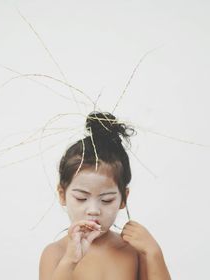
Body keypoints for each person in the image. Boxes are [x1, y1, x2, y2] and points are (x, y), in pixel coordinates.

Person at [39, 112, 171, 280]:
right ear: (62, 195)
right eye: (81, 198)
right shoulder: (56, 254)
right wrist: (70, 261)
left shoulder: (133, 251)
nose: (93, 211)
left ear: (123, 199)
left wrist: (154, 254)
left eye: (107, 200)